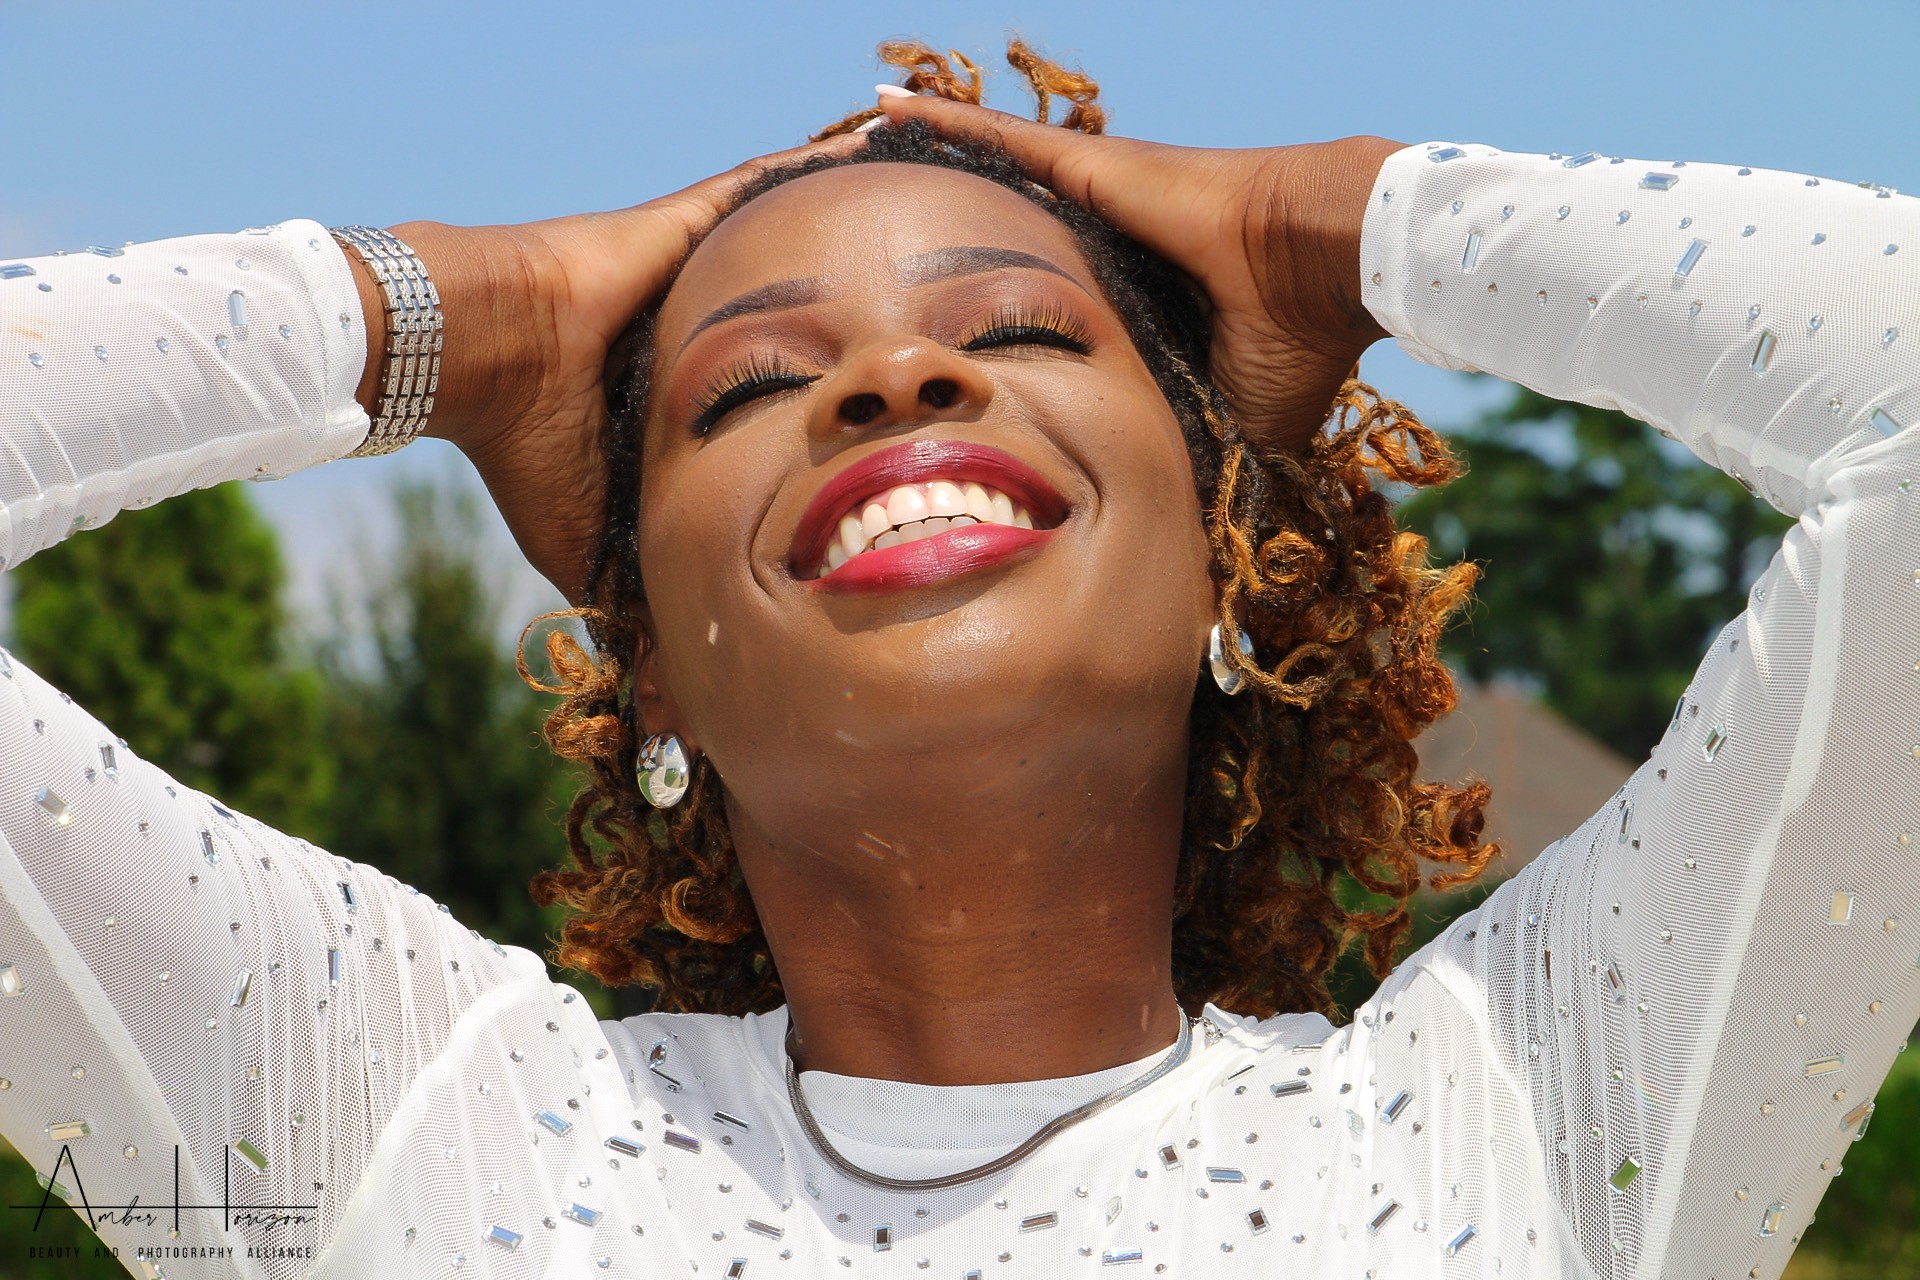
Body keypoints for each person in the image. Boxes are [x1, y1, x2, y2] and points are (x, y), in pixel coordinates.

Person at [0, 38, 1914, 1280]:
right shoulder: (394, 1113)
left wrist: (1335, 228)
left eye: (1019, 332)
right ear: (646, 666)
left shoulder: (1542, 1106)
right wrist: (450, 314)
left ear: (1233, 568)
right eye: (751, 381)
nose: (896, 376)